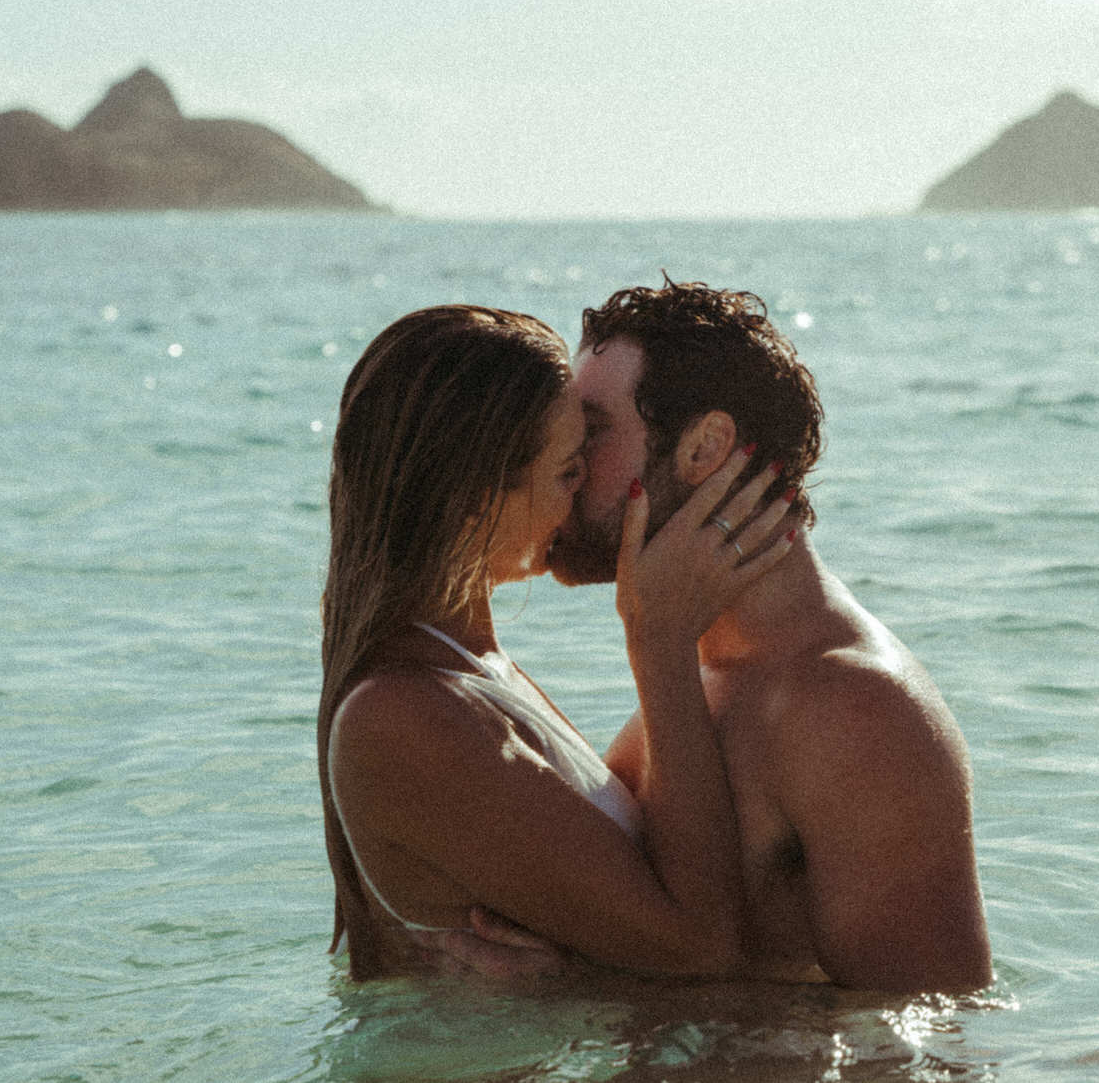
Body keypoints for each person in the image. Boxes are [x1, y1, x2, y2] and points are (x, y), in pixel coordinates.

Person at [426, 280, 993, 994]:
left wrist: (582, 994)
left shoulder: (853, 708)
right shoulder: (700, 673)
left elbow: (928, 1044)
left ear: (705, 447)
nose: (560, 457)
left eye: (591, 430)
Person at [316, 303, 796, 980]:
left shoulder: (473, 667)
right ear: (478, 496)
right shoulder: (401, 715)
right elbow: (704, 949)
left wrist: (576, 984)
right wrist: (658, 642)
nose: (580, 502)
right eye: (569, 470)